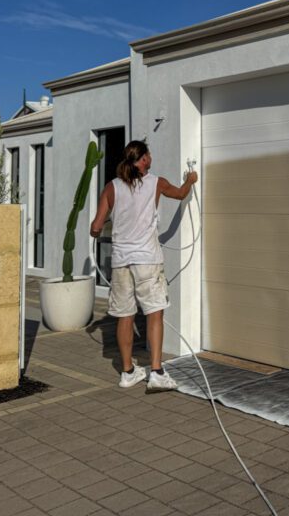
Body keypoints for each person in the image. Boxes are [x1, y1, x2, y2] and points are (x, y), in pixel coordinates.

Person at [90, 140, 198, 390]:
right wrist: (191, 180)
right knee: (154, 313)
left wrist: (99, 231)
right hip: (147, 260)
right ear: (144, 159)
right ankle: (157, 373)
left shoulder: (112, 187)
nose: (151, 157)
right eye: (148, 154)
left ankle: (128, 372)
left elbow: (96, 227)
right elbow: (181, 194)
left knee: (124, 315)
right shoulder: (156, 183)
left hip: (120, 262)